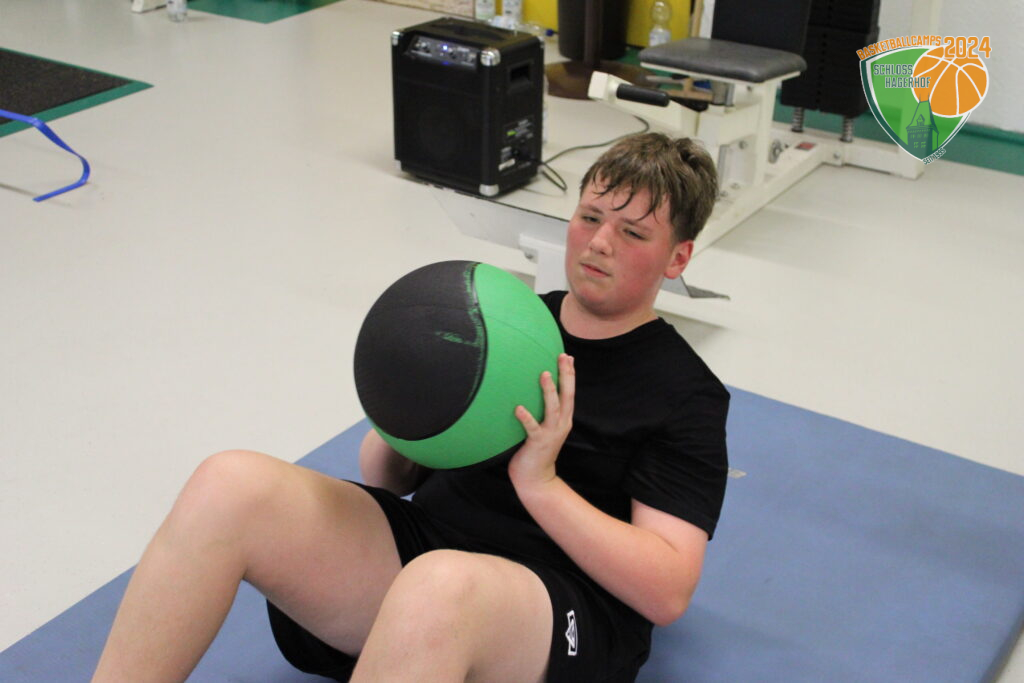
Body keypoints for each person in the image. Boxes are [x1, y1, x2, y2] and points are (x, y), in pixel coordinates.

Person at [92, 132, 728, 683]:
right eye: (590, 217)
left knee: (438, 584)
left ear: (678, 257)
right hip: (427, 555)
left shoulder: (684, 392)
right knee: (228, 484)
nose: (599, 242)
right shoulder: (504, 321)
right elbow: (387, 478)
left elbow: (666, 591)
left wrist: (542, 485)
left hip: (561, 608)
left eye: (632, 232)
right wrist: (411, 407)